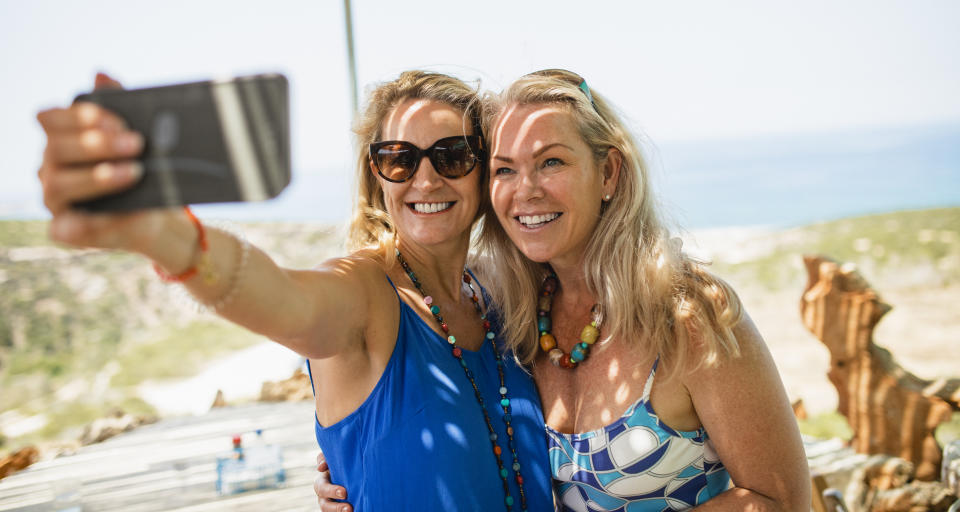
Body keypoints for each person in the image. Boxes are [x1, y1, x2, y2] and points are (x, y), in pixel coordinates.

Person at [36, 70, 553, 512]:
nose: (426, 178)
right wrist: (171, 239)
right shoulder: (366, 293)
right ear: (377, 175)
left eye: (453, 155)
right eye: (399, 158)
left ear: (484, 168)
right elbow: (284, 298)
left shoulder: (496, 295)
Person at [316, 69, 811, 511]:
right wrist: (354, 467)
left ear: (609, 173)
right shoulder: (511, 314)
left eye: (551, 162)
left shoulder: (686, 313)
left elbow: (782, 499)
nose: (526, 189)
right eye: (504, 169)